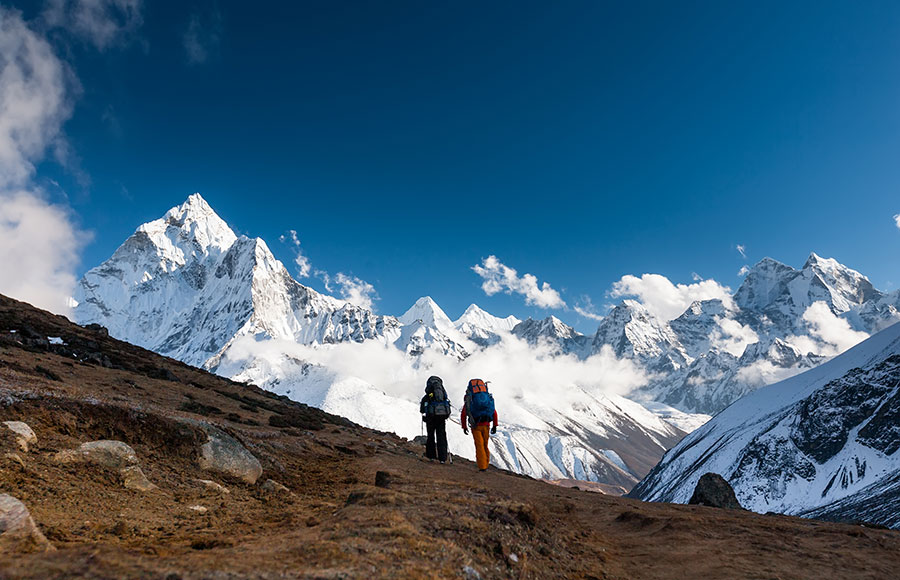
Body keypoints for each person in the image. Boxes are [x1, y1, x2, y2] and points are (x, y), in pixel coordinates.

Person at [460, 378, 497, 471]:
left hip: (476, 425)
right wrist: (495, 425)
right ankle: (486, 463)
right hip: (487, 424)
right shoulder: (487, 397)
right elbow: (494, 411)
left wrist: (464, 426)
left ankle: (482, 466)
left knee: (479, 445)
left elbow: (464, 413)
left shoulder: (470, 398)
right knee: (485, 445)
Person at [420, 375, 451, 463]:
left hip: (430, 417)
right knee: (441, 435)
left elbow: (422, 409)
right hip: (441, 417)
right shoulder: (443, 395)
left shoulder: (428, 396)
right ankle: (443, 458)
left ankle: (431, 456)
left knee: (431, 436)